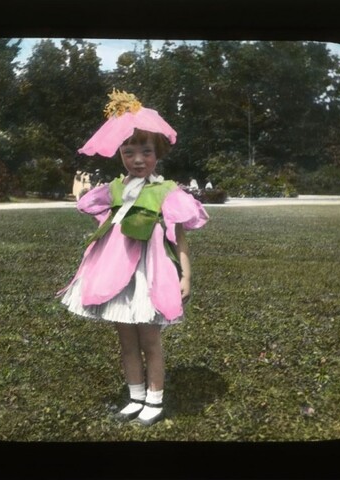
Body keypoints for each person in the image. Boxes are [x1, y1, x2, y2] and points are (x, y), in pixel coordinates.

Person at [58, 90, 209, 426]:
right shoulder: (115, 189)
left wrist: (185, 276)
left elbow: (180, 238)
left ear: (158, 153)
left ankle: (155, 399)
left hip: (148, 274)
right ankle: (135, 395)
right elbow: (87, 204)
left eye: (146, 152)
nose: (138, 160)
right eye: (129, 153)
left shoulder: (166, 192)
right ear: (120, 154)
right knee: (126, 339)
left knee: (150, 339)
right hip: (116, 273)